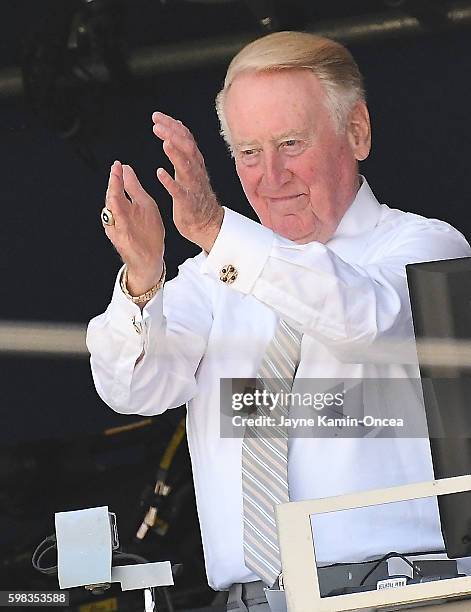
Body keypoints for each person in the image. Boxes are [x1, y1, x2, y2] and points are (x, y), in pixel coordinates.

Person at [87, 31, 471, 610]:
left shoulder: (423, 247)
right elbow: (134, 389)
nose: (270, 175)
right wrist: (143, 278)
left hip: (402, 596)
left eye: (291, 143)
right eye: (247, 152)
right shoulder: (211, 277)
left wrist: (219, 232)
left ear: (357, 132)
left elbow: (355, 318)